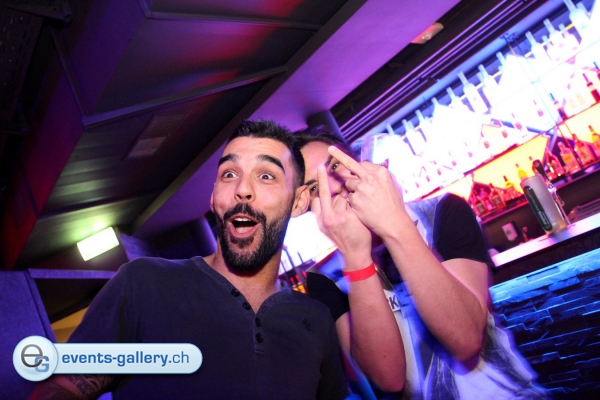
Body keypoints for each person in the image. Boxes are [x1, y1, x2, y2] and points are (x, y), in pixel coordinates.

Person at [29, 120, 349, 400]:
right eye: (229, 174)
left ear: (298, 202)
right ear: (214, 198)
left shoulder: (317, 318)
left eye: (266, 175)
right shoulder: (145, 283)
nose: (242, 189)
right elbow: (65, 386)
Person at [293, 128, 547, 399]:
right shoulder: (324, 277)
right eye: (315, 187)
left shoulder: (442, 212)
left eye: (334, 166)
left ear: (357, 163)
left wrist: (393, 223)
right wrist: (355, 255)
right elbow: (388, 379)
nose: (332, 187)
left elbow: (466, 340)